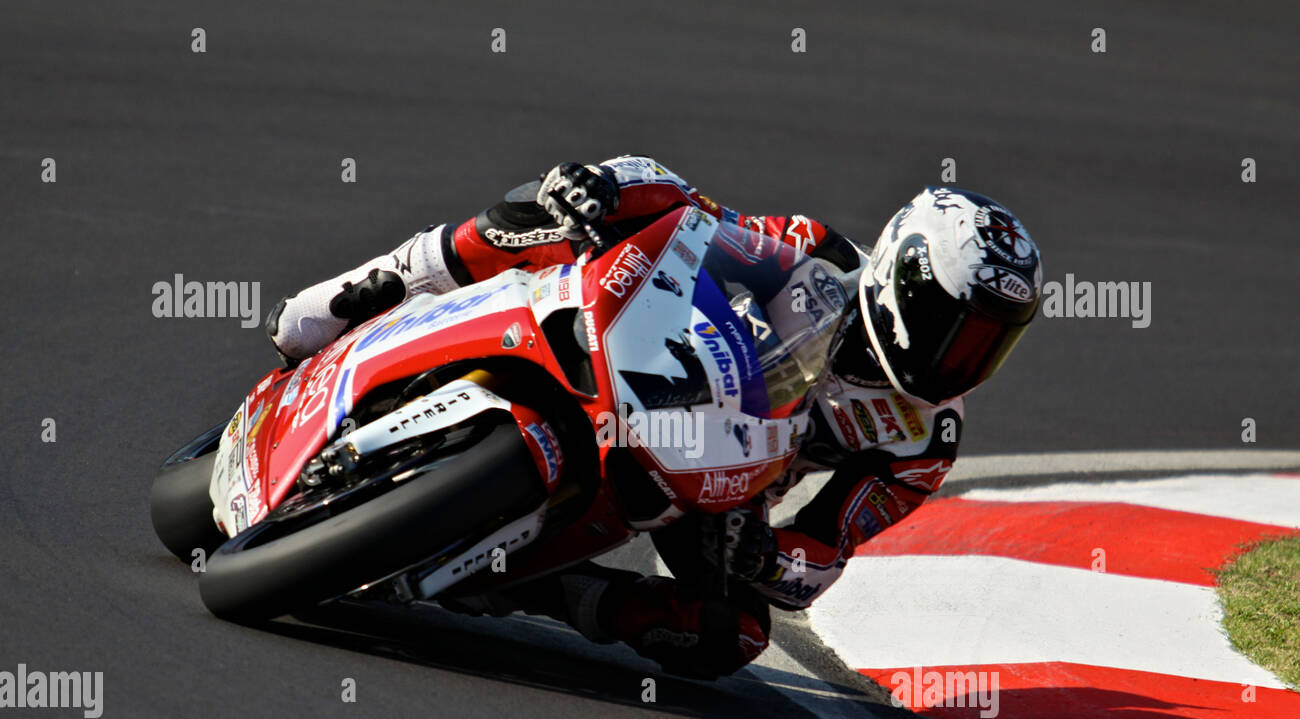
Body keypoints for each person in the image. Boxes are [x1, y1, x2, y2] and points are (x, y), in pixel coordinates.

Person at [265, 156, 1042, 679]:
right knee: (537, 217)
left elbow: (825, 556)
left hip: (725, 488)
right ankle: (375, 286)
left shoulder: (923, 440)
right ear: (904, 281)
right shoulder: (817, 256)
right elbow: (696, 220)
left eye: (992, 344)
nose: (966, 358)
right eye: (958, 325)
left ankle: (535, 591)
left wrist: (764, 555)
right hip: (664, 368)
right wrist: (605, 193)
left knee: (726, 636)